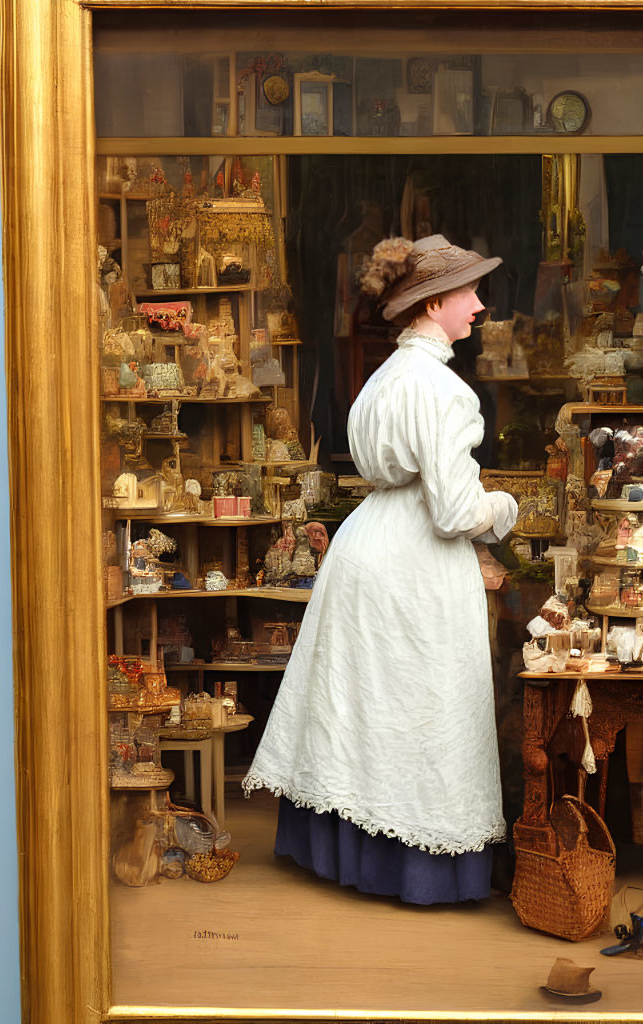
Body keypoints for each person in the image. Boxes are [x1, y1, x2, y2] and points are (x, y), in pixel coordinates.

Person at [243, 234, 518, 904]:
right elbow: (455, 511)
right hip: (414, 561)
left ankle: (346, 855)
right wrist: (506, 505)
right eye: (468, 293)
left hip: (368, 543)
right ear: (432, 305)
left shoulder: (382, 380)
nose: (479, 305)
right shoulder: (443, 392)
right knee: (422, 708)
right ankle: (419, 868)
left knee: (365, 703)